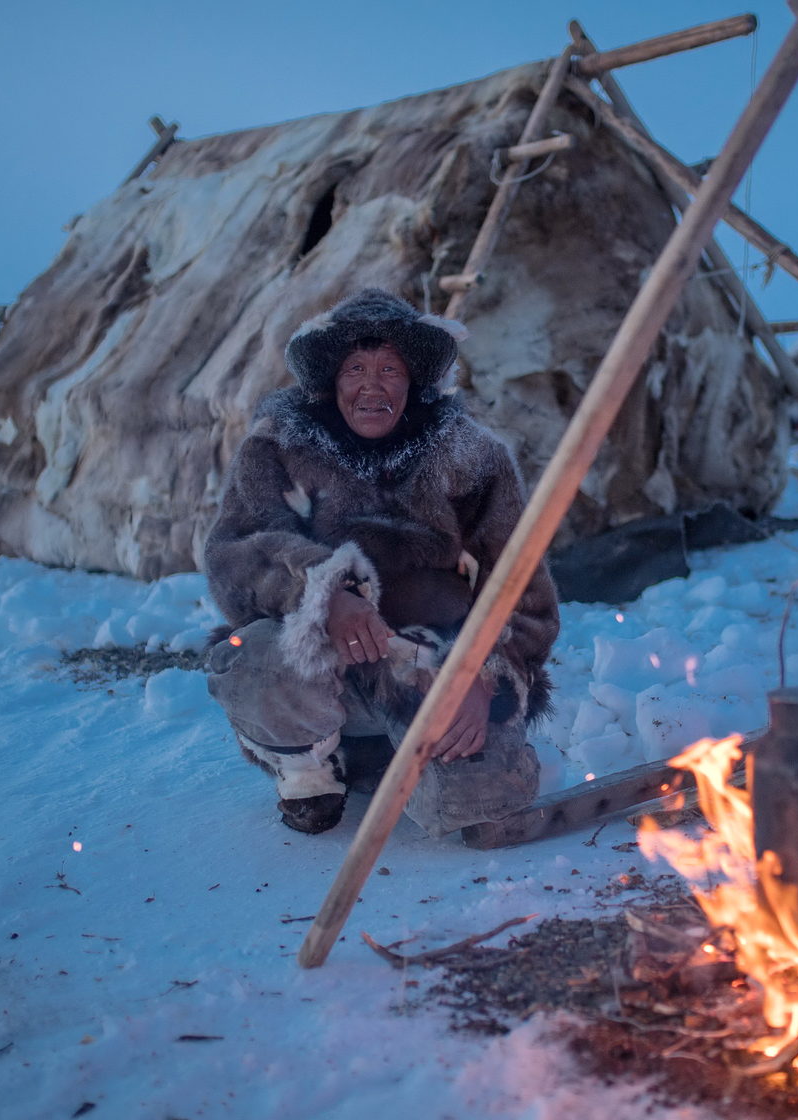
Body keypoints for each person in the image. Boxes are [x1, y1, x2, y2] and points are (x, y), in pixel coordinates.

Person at [200, 288, 559, 837]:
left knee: (479, 804)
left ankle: (402, 753)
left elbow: (522, 588)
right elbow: (235, 555)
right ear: (330, 382)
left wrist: (483, 673)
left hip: (428, 662)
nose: (372, 385)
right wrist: (324, 595)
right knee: (255, 660)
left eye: (390, 368)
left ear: (414, 380)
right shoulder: (278, 448)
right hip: (320, 662)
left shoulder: (472, 456)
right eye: (354, 369)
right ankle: (311, 770)